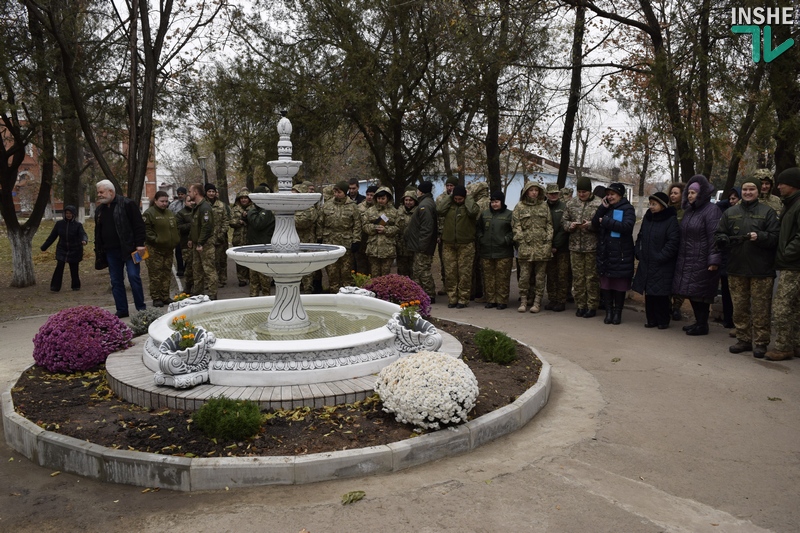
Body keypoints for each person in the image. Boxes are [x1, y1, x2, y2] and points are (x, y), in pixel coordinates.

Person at [715, 177, 779, 358]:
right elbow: (720, 233)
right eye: (745, 189)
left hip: (761, 270)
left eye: (752, 189)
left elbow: (775, 237)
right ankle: (743, 339)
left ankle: (761, 342)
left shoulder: (767, 212)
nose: (748, 192)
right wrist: (721, 239)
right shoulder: (731, 212)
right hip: (736, 268)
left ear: (759, 191)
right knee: (740, 307)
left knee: (761, 309)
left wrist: (759, 236)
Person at [672, 175, 722, 336]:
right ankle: (698, 322)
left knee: (702, 294)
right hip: (688, 258)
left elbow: (714, 236)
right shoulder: (689, 211)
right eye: (689, 193)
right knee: (692, 292)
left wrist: (713, 259)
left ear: (702, 194)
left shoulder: (711, 210)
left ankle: (702, 324)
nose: (690, 196)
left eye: (694, 193)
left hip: (702, 259)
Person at [94, 180, 147, 317]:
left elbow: (139, 225)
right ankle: (122, 310)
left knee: (134, 277)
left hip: (130, 250)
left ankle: (141, 309)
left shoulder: (127, 204)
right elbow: (98, 232)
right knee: (116, 281)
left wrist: (140, 244)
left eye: (101, 192)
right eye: (98, 192)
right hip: (111, 252)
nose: (99, 195)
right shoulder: (100, 210)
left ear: (110, 191)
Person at [765, 168, 800, 361]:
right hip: (791, 263)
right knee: (795, 307)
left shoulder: (797, 205)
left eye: (781, 183)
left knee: (782, 306)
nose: (778, 187)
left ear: (793, 184)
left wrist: (787, 253)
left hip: (793, 265)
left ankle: (783, 347)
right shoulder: (791, 204)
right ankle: (795, 343)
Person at [632, 192, 680, 329]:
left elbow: (673, 242)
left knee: (661, 294)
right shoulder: (648, 218)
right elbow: (640, 237)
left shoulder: (670, 220)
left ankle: (663, 320)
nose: (651, 207)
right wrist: (638, 252)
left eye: (654, 204)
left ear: (663, 206)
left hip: (662, 264)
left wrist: (660, 257)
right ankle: (651, 319)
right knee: (649, 294)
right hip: (647, 262)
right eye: (650, 204)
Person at [592, 182, 636, 325]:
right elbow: (594, 224)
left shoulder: (627, 209)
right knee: (606, 284)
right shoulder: (606, 208)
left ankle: (617, 313)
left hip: (621, 253)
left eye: (612, 194)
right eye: (608, 194)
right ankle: (609, 312)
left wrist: (606, 221)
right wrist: (601, 209)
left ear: (620, 195)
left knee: (619, 285)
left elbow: (627, 227)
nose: (610, 197)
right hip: (606, 252)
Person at [563, 177, 603, 318]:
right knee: (578, 278)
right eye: (579, 191)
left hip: (592, 246)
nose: (581, 194)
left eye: (584, 192)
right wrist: (570, 226)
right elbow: (564, 220)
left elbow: (602, 223)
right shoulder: (571, 203)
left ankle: (592, 306)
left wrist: (591, 225)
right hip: (575, 247)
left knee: (591, 278)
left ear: (590, 191)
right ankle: (580, 305)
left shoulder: (599, 203)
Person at [513, 181, 552, 313]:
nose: (534, 192)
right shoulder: (519, 207)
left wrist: (548, 241)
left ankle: (537, 302)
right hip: (526, 247)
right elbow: (516, 225)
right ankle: (524, 301)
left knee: (540, 277)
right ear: (526, 192)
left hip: (542, 247)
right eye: (531, 190)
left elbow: (549, 225)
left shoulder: (544, 206)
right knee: (524, 276)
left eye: (536, 190)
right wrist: (522, 241)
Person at [438, 184, 480, 308]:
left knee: (464, 273)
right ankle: (452, 298)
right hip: (449, 243)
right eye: (456, 199)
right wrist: (450, 197)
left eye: (460, 199)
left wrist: (468, 198)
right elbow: (440, 210)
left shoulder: (469, 205)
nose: (457, 201)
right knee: (450, 272)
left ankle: (463, 298)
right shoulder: (449, 205)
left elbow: (473, 211)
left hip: (466, 244)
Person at [317, 180, 362, 292]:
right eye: (335, 192)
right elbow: (320, 223)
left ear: (345, 192)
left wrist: (356, 240)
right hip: (330, 242)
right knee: (332, 272)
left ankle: (346, 295)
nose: (337, 194)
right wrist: (319, 238)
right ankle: (333, 294)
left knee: (346, 272)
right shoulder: (327, 205)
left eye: (339, 192)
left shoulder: (352, 206)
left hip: (346, 243)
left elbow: (357, 224)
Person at [476, 191, 514, 309]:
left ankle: (502, 300)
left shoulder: (509, 215)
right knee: (488, 277)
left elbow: (514, 231)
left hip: (503, 252)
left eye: (497, 202)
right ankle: (491, 299)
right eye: (492, 202)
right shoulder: (485, 214)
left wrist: (506, 240)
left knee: (502, 277)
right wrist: (481, 239)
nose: (494, 204)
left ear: (502, 202)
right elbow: (478, 229)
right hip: (487, 251)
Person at [142, 191, 180, 307]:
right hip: (155, 249)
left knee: (166, 273)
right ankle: (156, 297)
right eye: (162, 201)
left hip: (168, 249)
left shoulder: (169, 213)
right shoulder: (149, 213)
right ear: (155, 201)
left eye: (166, 201)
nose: (164, 204)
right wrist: (156, 240)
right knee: (155, 274)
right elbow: (146, 231)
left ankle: (165, 296)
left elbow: (174, 228)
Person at [41, 205, 88, 292]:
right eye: (67, 213)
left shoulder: (78, 225)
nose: (68, 215)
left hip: (75, 249)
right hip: (62, 249)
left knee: (74, 268)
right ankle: (55, 287)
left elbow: (83, 234)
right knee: (59, 266)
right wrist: (44, 247)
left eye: (70, 213)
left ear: (73, 214)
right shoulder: (59, 224)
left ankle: (76, 286)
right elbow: (52, 236)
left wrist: (84, 240)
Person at [405, 180, 438, 302]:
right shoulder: (425, 203)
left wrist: (422, 246)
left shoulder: (425, 206)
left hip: (423, 247)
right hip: (419, 245)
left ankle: (430, 294)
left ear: (421, 191)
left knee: (423, 271)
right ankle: (420, 294)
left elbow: (426, 228)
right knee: (418, 271)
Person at [187, 183, 217, 300]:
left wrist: (200, 243)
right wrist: (191, 238)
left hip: (205, 244)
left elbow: (207, 227)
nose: (189, 194)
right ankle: (198, 292)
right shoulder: (197, 207)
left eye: (190, 191)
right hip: (196, 243)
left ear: (195, 193)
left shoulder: (205, 207)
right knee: (197, 269)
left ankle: (212, 294)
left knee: (209, 269)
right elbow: (194, 225)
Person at [362, 186, 400, 277]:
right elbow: (364, 226)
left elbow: (398, 228)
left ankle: (384, 291)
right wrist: (374, 228)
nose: (380, 201)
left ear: (388, 198)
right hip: (373, 248)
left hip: (388, 249)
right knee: (375, 274)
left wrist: (385, 230)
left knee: (385, 275)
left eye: (383, 198)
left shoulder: (394, 212)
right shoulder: (370, 211)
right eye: (379, 198)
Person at [246, 185, 276, 297]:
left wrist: (250, 213)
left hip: (264, 248)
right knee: (253, 280)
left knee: (264, 280)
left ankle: (266, 303)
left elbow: (258, 223)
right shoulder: (258, 209)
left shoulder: (266, 210)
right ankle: (253, 302)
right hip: (254, 247)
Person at [545, 183, 569, 312]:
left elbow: (564, 228)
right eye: (551, 193)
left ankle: (561, 300)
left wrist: (556, 245)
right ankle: (552, 298)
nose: (553, 195)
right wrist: (548, 244)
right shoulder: (543, 207)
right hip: (547, 247)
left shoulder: (565, 207)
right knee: (551, 274)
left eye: (555, 193)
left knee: (562, 274)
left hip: (562, 248)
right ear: (546, 194)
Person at [292, 182, 319, 293]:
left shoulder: (309, 208)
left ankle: (308, 289)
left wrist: (287, 219)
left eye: (295, 194)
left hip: (306, 241)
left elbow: (304, 222)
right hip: (293, 241)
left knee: (306, 267)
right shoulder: (290, 207)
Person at [467, 181, 490, 301]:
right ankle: (482, 291)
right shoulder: (491, 201)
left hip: (477, 237)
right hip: (489, 238)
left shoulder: (478, 204)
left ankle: (475, 291)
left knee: (476, 265)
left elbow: (474, 220)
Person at [205, 183, 231, 288]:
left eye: (213, 191)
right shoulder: (203, 205)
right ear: (206, 192)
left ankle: (222, 279)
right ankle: (209, 281)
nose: (211, 193)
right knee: (209, 261)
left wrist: (222, 233)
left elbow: (226, 220)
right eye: (209, 191)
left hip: (221, 238)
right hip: (207, 238)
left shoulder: (221, 205)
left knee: (221, 260)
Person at [436, 177, 458, 295]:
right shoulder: (440, 198)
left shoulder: (460, 197)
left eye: (452, 185)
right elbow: (438, 217)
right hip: (444, 234)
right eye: (448, 185)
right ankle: (446, 284)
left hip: (457, 234)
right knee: (445, 262)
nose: (449, 188)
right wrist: (439, 234)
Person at [667, 182, 686, 321]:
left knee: (679, 280)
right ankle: (666, 305)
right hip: (668, 250)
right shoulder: (666, 209)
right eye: (671, 193)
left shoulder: (686, 211)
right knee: (667, 278)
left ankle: (677, 306)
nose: (673, 196)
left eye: (676, 193)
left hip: (682, 250)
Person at [229, 188, 251, 287]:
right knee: (240, 260)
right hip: (238, 238)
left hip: (250, 237)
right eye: (242, 198)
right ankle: (241, 278)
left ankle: (250, 277)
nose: (243, 200)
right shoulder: (235, 209)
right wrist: (240, 221)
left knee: (250, 258)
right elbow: (231, 222)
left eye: (245, 198)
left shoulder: (253, 208)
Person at [355, 184, 378, 275]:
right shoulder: (359, 207)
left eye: (372, 195)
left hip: (374, 241)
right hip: (362, 241)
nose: (369, 197)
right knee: (361, 267)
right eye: (368, 194)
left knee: (373, 268)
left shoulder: (379, 208)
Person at [175, 196, 195, 294]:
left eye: (192, 200)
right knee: (189, 267)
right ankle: (188, 287)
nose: (191, 202)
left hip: (198, 243)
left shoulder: (198, 211)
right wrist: (192, 224)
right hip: (186, 243)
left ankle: (197, 287)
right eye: (189, 201)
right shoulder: (181, 214)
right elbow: (179, 227)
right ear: (185, 202)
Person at [395, 189, 417, 277]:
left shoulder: (418, 211)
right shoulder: (399, 211)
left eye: (410, 200)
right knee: (402, 271)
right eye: (406, 200)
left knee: (414, 270)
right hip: (401, 247)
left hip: (413, 246)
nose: (408, 202)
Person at [168, 187, 187, 276]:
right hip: (177, 230)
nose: (180, 196)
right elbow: (169, 216)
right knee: (178, 250)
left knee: (188, 251)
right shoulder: (173, 205)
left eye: (182, 194)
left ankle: (186, 267)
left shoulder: (189, 203)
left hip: (187, 231)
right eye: (179, 194)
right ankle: (180, 268)